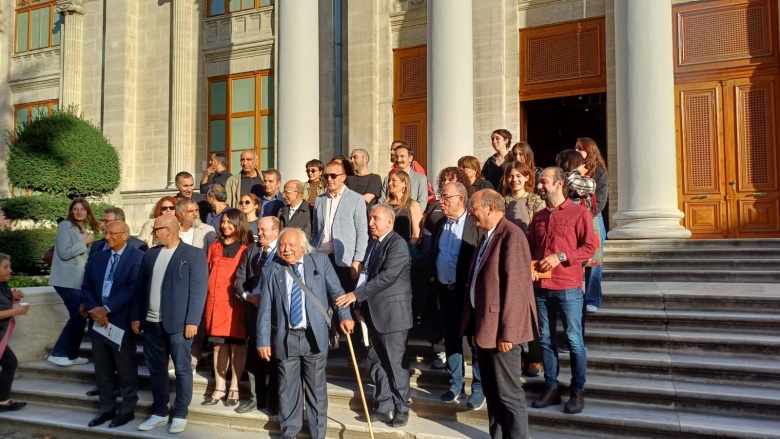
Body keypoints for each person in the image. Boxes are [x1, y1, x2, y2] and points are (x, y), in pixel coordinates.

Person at [256, 228, 354, 439]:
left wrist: (344, 316)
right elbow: (265, 309)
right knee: (287, 389)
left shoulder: (320, 261)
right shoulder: (271, 269)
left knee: (316, 390)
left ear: (303, 246)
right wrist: (263, 340)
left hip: (314, 336)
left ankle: (318, 434)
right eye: (282, 245)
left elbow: (337, 292)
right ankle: (289, 432)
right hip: (286, 337)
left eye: (291, 245)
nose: (286, 249)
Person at [461, 189, 538, 439]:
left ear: (491, 208)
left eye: (475, 209)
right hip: (484, 328)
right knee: (493, 394)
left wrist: (508, 334)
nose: (471, 214)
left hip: (502, 334)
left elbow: (516, 289)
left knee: (508, 395)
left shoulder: (512, 236)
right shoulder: (487, 236)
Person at [335, 205, 413, 427]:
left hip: (392, 316)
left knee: (395, 364)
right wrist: (359, 303)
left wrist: (355, 295)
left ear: (390, 222)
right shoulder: (373, 244)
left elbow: (387, 277)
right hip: (371, 314)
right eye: (370, 218)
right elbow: (366, 274)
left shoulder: (398, 244)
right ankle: (384, 405)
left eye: (375, 218)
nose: (371, 223)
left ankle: (401, 408)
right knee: (376, 361)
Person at [529, 167, 596, 415]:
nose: (540, 186)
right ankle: (551, 387)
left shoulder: (580, 213)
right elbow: (532, 249)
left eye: (544, 182)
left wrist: (562, 256)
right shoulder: (537, 217)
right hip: (542, 288)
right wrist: (532, 268)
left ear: (559, 184)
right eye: (539, 183)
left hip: (568, 286)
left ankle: (578, 391)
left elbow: (590, 247)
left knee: (574, 341)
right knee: (545, 340)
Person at [132, 216, 208, 434]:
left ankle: (180, 413)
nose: (153, 233)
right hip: (151, 322)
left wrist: (193, 320)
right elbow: (141, 287)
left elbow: (198, 291)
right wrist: (137, 315)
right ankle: (159, 411)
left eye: (156, 229)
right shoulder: (151, 254)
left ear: (170, 230)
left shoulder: (193, 254)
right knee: (156, 369)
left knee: (182, 369)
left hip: (178, 324)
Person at [427, 182, 485, 410]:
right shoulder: (440, 224)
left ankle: (479, 388)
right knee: (451, 339)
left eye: (446, 197)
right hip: (445, 291)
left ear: (461, 199)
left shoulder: (475, 224)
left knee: (475, 341)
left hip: (467, 293)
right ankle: (455, 384)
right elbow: (435, 254)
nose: (442, 201)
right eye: (442, 196)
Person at [81, 221, 144, 429]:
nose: (107, 237)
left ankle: (127, 410)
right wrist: (96, 310)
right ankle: (106, 408)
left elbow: (132, 288)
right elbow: (86, 286)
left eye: (112, 233)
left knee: (125, 368)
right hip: (98, 322)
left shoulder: (137, 257)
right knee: (102, 368)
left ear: (125, 235)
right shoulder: (97, 256)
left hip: (121, 322)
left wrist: (106, 309)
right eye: (105, 233)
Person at [202, 210, 250, 408]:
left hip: (236, 305)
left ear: (239, 224)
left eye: (230, 222)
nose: (225, 226)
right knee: (218, 346)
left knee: (237, 346)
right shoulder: (214, 247)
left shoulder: (246, 249)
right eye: (223, 222)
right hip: (216, 303)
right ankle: (220, 386)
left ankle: (235, 386)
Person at [234, 217, 281, 415]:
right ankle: (256, 397)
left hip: (276, 314)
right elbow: (239, 278)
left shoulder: (283, 249)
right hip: (253, 311)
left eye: (263, 230)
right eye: (258, 230)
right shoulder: (251, 250)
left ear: (276, 230)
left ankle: (275, 400)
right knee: (254, 355)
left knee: (275, 356)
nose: (258, 233)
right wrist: (247, 296)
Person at [48, 197, 99, 367]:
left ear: (87, 211)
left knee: (80, 316)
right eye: (75, 209)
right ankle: (59, 353)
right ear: (71, 211)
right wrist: (85, 242)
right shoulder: (65, 226)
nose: (79, 212)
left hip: (77, 280)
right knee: (78, 315)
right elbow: (64, 253)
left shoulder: (83, 229)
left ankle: (71, 353)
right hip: (66, 280)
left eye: (82, 209)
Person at [311, 160, 368, 293]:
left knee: (343, 300)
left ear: (343, 177)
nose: (329, 179)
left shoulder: (356, 199)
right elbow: (315, 229)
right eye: (326, 176)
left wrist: (357, 260)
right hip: (320, 256)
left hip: (343, 260)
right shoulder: (319, 199)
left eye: (333, 176)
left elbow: (361, 232)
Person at [576, 137, 609, 313]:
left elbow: (601, 201)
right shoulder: (572, 171)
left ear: (589, 151)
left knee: (594, 261)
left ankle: (592, 298)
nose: (577, 151)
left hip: (593, 219)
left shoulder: (600, 173)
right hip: (574, 220)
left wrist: (584, 216)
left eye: (580, 148)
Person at [0, 253, 28, 413]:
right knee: (10, 364)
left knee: (10, 364)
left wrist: (14, 299)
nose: (10, 270)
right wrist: (15, 311)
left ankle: (3, 401)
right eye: (5, 267)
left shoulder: (3, 285)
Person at [381, 144, 428, 211]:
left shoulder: (420, 179)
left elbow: (422, 203)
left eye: (402, 156)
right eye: (396, 157)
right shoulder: (387, 180)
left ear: (410, 158)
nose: (399, 160)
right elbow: (382, 201)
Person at [503, 162, 545, 235]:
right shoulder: (502, 202)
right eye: (510, 176)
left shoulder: (536, 201)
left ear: (526, 178)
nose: (514, 180)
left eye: (518, 176)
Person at [383, 170, 423, 245]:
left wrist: (406, 249)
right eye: (389, 180)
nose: (389, 183)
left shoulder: (413, 205)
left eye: (394, 180)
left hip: (404, 249)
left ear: (404, 183)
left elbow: (416, 235)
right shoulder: (385, 205)